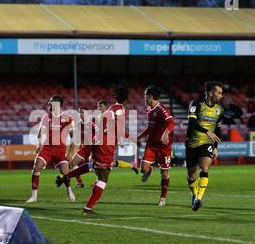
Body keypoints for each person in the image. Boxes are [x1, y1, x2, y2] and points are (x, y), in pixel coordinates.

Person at [56, 85, 129, 215]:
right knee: (103, 177)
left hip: (98, 142)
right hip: (104, 144)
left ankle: (66, 176)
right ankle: (88, 208)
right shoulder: (119, 110)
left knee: (93, 167)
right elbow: (109, 118)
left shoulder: (114, 109)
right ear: (126, 100)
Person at [27, 95, 75, 203]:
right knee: (36, 167)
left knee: (65, 172)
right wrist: (39, 145)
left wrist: (71, 152)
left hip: (60, 150)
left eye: (51, 102)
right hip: (47, 148)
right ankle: (34, 196)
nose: (49, 103)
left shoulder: (68, 118)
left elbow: (74, 136)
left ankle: (69, 190)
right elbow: (41, 132)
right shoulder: (46, 117)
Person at [185, 81, 224, 211]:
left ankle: (198, 199)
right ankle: (194, 194)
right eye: (219, 92)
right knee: (191, 177)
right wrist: (207, 131)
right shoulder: (196, 104)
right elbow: (192, 122)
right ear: (211, 92)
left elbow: (217, 129)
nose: (221, 95)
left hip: (207, 143)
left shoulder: (219, 110)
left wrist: (216, 146)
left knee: (205, 168)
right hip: (192, 143)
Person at [136, 85, 174, 207]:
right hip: (151, 144)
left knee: (165, 174)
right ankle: (151, 168)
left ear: (150, 96)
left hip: (164, 146)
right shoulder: (149, 110)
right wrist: (139, 136)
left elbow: (171, 122)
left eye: (145, 95)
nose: (144, 97)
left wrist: (166, 133)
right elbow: (150, 127)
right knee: (142, 169)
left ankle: (163, 198)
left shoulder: (161, 109)